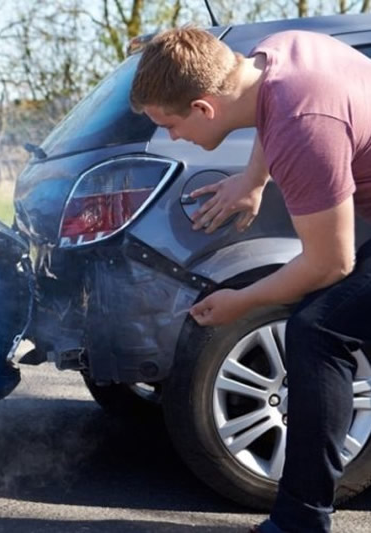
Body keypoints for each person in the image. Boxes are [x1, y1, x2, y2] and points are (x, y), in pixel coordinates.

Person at [130, 26, 371, 533]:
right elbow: (272, 112)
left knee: (319, 330)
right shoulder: (277, 53)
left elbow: (331, 264)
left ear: (203, 108)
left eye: (169, 125)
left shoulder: (303, 125)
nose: (172, 137)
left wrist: (242, 301)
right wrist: (252, 178)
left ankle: (300, 522)